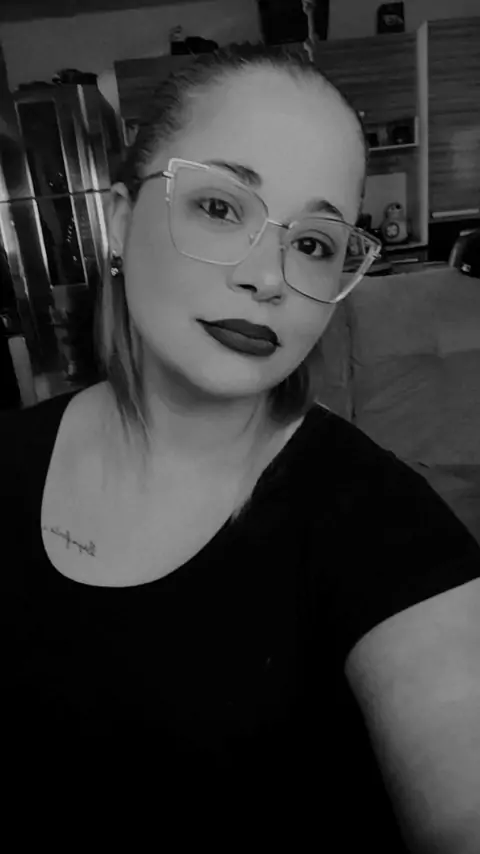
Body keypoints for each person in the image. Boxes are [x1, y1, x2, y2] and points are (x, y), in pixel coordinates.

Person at [3, 41, 480, 850]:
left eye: (314, 244)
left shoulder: (382, 522)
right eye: (222, 207)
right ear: (121, 218)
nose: (268, 277)